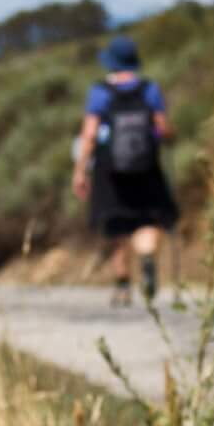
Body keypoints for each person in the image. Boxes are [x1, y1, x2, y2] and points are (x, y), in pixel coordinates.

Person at [71, 34, 177, 306]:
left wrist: (81, 170)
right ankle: (147, 258)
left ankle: (122, 285)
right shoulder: (149, 89)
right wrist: (166, 136)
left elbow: (90, 134)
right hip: (146, 166)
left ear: (111, 63)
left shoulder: (100, 92)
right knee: (146, 219)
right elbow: (163, 129)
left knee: (116, 223)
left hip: (109, 169)